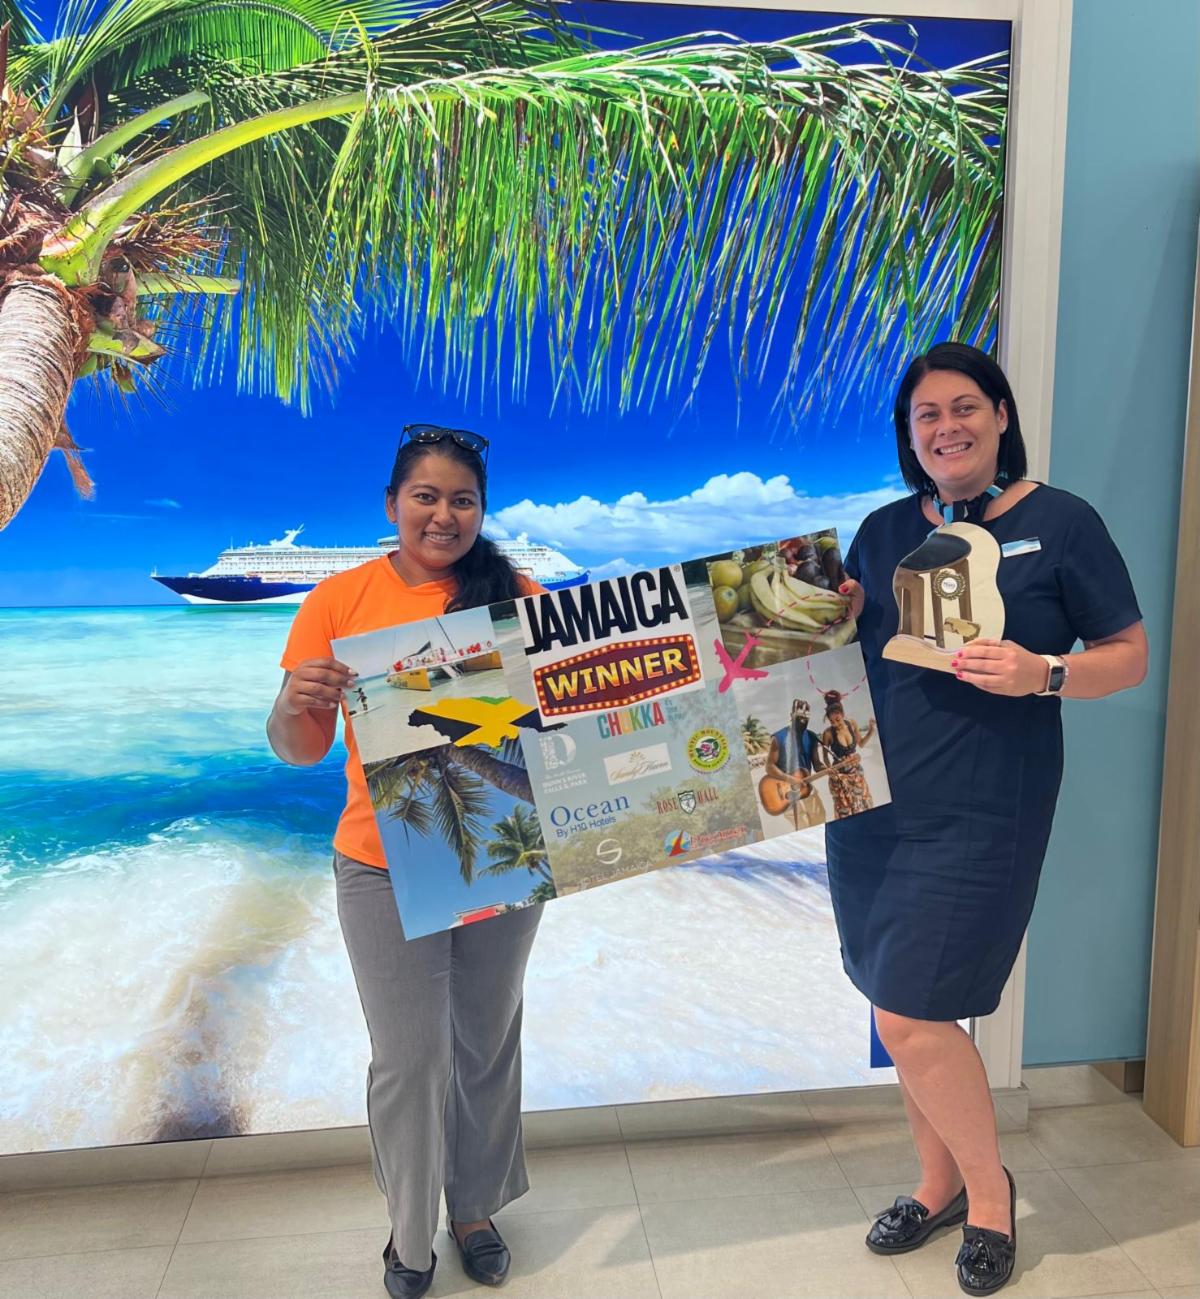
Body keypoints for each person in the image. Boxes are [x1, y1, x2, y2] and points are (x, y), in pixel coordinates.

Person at [826, 343, 1147, 1295]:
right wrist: (835, 616)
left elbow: (1128, 653)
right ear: (909, 435)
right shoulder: (884, 531)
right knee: (896, 1002)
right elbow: (858, 659)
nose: (947, 427)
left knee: (910, 1008)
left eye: (965, 406)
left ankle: (990, 1196)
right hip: (871, 808)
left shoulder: (1062, 522)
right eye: (926, 415)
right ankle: (937, 1184)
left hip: (981, 808)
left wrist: (1044, 671)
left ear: (1001, 415)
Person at [267, 425, 544, 1299]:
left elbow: (579, 714)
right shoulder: (338, 599)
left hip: (499, 842)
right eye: (426, 495)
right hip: (378, 860)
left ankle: (475, 1210)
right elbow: (297, 748)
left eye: (464, 499)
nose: (444, 514)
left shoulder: (518, 593)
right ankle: (410, 1229)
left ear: (482, 511)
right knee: (410, 1057)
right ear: (392, 504)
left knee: (487, 1041)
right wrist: (292, 700)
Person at [762, 697, 827, 829]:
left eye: (806, 718)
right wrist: (790, 779)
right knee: (802, 827)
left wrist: (828, 769)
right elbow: (769, 767)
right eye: (799, 717)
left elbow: (817, 764)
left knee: (820, 820)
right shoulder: (779, 737)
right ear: (791, 715)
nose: (803, 721)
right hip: (786, 793)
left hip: (806, 788)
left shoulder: (812, 736)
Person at [818, 691, 876, 818]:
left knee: (864, 805)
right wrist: (830, 768)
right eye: (831, 721)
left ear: (843, 714)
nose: (835, 724)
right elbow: (825, 757)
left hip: (856, 773)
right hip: (840, 777)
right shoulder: (828, 733)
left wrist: (871, 730)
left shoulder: (851, 724)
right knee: (846, 812)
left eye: (837, 720)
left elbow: (861, 744)